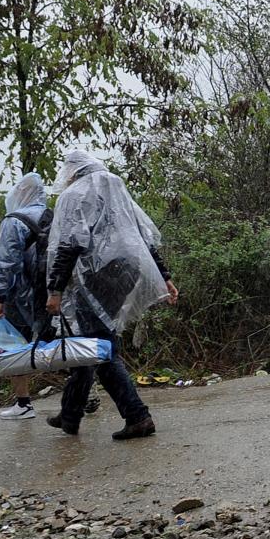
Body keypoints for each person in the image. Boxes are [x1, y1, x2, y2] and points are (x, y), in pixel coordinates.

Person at [45, 151, 177, 439]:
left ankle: (137, 416)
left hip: (95, 278)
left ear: (73, 171)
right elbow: (142, 237)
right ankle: (70, 414)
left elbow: (68, 246)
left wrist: (55, 289)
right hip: (127, 273)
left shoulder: (74, 196)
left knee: (100, 349)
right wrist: (164, 276)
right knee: (88, 344)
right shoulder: (113, 188)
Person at [0, 172, 51, 420]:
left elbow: (5, 263)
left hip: (21, 296)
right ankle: (83, 390)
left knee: (13, 346)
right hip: (51, 294)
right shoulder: (52, 216)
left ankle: (23, 404)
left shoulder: (14, 221)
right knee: (60, 342)